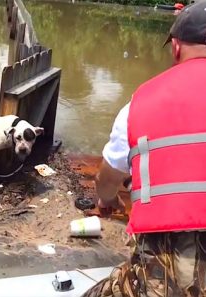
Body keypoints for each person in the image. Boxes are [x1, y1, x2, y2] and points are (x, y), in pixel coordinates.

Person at [83, 1, 206, 296]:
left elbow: (108, 179)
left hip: (173, 278)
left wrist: (106, 201)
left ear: (176, 47)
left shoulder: (140, 104)